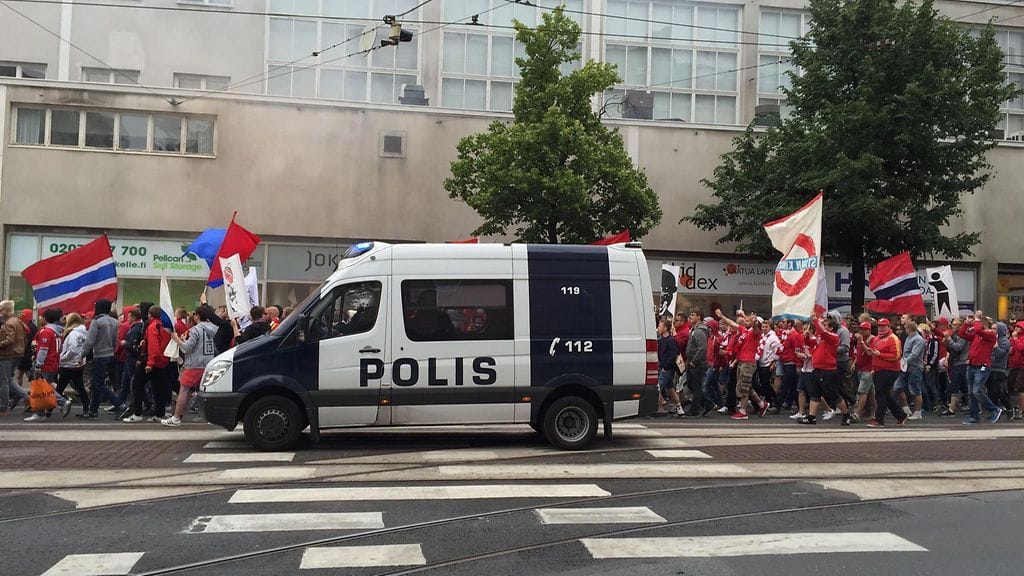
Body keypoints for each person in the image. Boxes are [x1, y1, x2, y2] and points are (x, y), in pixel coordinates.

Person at [162, 305, 218, 427]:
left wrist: (177, 339)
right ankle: (212, 417)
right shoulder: (214, 329)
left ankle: (176, 417)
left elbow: (186, 348)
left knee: (184, 390)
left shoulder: (196, 330)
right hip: (209, 363)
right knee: (206, 392)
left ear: (197, 316)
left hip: (194, 364)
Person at [799, 315, 852, 426]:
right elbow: (810, 343)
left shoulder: (833, 337)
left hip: (828, 370)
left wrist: (815, 319)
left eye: (825, 325)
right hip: (817, 369)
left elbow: (823, 332)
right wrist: (806, 337)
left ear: (831, 328)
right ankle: (812, 417)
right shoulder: (821, 339)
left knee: (834, 395)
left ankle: (846, 415)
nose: (823, 327)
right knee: (815, 394)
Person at [715, 309, 767, 420]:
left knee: (743, 387)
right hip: (741, 361)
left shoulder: (755, 332)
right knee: (746, 386)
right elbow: (732, 323)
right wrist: (722, 316)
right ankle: (761, 404)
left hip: (748, 362)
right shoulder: (744, 331)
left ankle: (743, 411)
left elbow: (756, 327)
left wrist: (754, 321)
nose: (744, 322)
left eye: (746, 321)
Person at [124, 306, 171, 423]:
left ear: (150, 315)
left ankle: (137, 413)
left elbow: (153, 346)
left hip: (151, 360)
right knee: (158, 388)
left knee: (137, 385)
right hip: (163, 360)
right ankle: (160, 413)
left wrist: (149, 363)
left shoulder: (152, 326)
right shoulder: (165, 326)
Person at [81, 299, 126, 419]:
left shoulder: (97, 322)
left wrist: (82, 355)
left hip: (99, 355)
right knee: (97, 383)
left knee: (98, 384)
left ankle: (119, 404)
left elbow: (90, 341)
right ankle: (93, 410)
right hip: (110, 354)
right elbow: (115, 340)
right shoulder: (114, 322)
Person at [26, 308, 72, 421]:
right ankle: (41, 412)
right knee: (46, 387)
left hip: (46, 363)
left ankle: (61, 402)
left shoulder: (46, 331)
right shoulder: (58, 332)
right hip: (54, 362)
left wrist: (38, 364)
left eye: (42, 317)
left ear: (46, 318)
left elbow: (43, 349)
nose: (40, 318)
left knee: (41, 388)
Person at [959, 312, 1003, 425]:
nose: (977, 323)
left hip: (982, 365)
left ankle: (994, 409)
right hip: (972, 365)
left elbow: (978, 330)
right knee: (971, 393)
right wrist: (966, 323)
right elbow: (962, 334)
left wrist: (977, 319)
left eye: (980, 322)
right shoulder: (977, 335)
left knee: (977, 391)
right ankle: (974, 416)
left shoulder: (991, 334)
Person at [865, 318, 907, 427]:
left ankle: (879, 419)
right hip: (878, 370)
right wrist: (873, 367)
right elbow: (873, 354)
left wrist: (880, 354)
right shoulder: (877, 338)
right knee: (885, 394)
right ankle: (900, 415)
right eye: (879, 326)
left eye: (883, 326)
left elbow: (896, 355)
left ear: (889, 327)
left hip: (890, 370)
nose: (881, 328)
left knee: (880, 394)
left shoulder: (893, 338)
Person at [56, 313, 89, 416]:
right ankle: (86, 409)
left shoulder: (73, 333)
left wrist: (62, 357)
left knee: (59, 389)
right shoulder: (84, 332)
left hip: (68, 364)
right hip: (79, 363)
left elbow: (73, 349)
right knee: (80, 387)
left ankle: (49, 410)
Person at [0, 300, 29, 416]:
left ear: (5, 310)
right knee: (8, 379)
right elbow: (25, 338)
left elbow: (9, 340)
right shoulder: (18, 321)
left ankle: (3, 407)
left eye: (1, 309)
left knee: (3, 381)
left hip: (7, 355)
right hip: (16, 354)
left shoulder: (9, 323)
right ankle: (26, 397)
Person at [895, 321, 926, 420]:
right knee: (897, 387)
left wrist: (903, 362)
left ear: (909, 328)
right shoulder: (909, 337)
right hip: (905, 367)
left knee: (915, 390)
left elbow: (914, 355)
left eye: (905, 328)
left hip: (915, 367)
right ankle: (906, 409)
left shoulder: (919, 340)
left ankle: (918, 412)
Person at [684, 309, 713, 416]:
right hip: (691, 361)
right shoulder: (694, 329)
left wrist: (694, 361)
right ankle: (707, 403)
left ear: (699, 317)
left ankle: (695, 409)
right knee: (691, 385)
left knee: (696, 387)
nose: (690, 317)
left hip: (697, 363)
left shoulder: (700, 331)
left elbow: (702, 348)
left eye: (693, 315)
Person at [656, 318, 684, 417]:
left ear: (666, 328)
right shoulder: (661, 340)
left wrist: (665, 366)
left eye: (660, 326)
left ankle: (660, 407)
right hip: (663, 367)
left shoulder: (671, 340)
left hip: (667, 369)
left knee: (657, 388)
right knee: (670, 389)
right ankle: (679, 408)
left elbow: (673, 355)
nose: (658, 328)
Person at [944, 317, 970, 416]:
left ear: (961, 326)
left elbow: (958, 348)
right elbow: (951, 349)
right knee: (960, 386)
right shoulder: (955, 335)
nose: (952, 326)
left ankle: (952, 409)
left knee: (958, 386)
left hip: (962, 363)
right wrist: (947, 342)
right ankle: (953, 407)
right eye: (952, 324)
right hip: (955, 363)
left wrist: (949, 339)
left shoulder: (963, 336)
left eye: (955, 324)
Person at [852, 320, 876, 421]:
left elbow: (869, 353)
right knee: (871, 393)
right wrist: (854, 363)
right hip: (860, 368)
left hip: (868, 369)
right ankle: (875, 413)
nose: (862, 331)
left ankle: (857, 413)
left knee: (862, 391)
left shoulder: (872, 339)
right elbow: (859, 352)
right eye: (861, 329)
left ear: (869, 330)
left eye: (864, 330)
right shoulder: (859, 339)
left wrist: (862, 342)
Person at [988, 321, 1013, 413]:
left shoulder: (1004, 341)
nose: (992, 330)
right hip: (989, 367)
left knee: (998, 390)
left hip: (999, 368)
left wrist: (996, 347)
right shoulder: (990, 339)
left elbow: (1001, 354)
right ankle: (996, 408)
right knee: (990, 391)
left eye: (994, 329)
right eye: (992, 328)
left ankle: (1009, 407)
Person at [15, 309, 37, 388]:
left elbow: (25, 341)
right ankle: (19, 391)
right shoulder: (34, 326)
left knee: (26, 375)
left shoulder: (26, 327)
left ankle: (20, 392)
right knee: (21, 374)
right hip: (30, 354)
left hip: (25, 354)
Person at [1009, 321, 1024, 421]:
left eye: (1019, 327)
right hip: (1013, 366)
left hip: (1022, 366)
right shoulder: (1013, 338)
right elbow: (1013, 349)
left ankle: (1021, 410)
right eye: (1016, 327)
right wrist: (1010, 351)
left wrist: (1015, 339)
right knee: (1013, 388)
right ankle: (1017, 407)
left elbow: (1021, 348)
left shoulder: (1020, 338)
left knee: (1021, 388)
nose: (1016, 329)